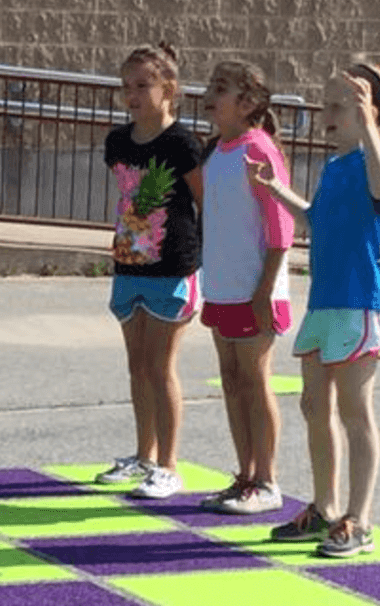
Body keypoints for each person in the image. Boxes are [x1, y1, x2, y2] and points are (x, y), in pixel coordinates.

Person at [246, 63, 380, 557]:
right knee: (312, 406)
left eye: (339, 106)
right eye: (326, 105)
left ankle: (359, 520)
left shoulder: (374, 159)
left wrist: (368, 127)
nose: (327, 114)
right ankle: (323, 508)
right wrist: (272, 187)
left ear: (370, 112)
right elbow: (314, 219)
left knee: (354, 411)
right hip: (323, 304)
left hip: (359, 305)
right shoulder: (335, 166)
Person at [95, 42, 204, 500]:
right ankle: (143, 455)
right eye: (126, 87)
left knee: (161, 368)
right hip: (130, 262)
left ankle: (169, 464)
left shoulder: (182, 143)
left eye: (143, 85)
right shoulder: (118, 142)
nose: (133, 95)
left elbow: (204, 203)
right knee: (137, 366)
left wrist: (211, 263)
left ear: (169, 90)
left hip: (172, 267)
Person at [198, 62, 295, 515]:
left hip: (256, 288)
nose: (211, 95)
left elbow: (281, 226)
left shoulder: (258, 150)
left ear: (249, 102)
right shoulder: (216, 151)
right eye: (212, 87)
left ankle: (268, 480)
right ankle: (244, 474)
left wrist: (265, 287)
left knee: (256, 381)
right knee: (232, 381)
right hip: (221, 287)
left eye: (222, 89)